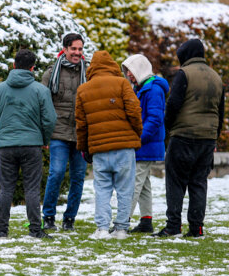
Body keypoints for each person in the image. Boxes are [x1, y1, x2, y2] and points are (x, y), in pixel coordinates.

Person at [154, 39, 224, 238]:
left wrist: (168, 130)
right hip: (207, 139)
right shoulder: (216, 77)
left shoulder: (184, 74)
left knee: (175, 182)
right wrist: (214, 136)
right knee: (198, 183)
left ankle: (173, 225)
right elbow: (221, 111)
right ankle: (196, 228)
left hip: (183, 136)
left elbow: (173, 105)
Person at [0, 49, 57, 239]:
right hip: (32, 144)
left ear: (13, 65)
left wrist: (0, 137)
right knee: (32, 189)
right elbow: (50, 119)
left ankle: (2, 230)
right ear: (33, 68)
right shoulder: (40, 90)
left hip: (6, 145)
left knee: (6, 188)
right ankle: (35, 229)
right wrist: (44, 139)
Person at [75, 51, 142, 240]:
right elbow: (135, 111)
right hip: (124, 147)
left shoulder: (83, 89)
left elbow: (81, 124)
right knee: (125, 189)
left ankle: (103, 228)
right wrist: (136, 134)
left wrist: (84, 148)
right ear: (112, 65)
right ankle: (121, 229)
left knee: (102, 189)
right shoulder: (122, 84)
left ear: (92, 68)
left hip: (99, 149)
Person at [40, 33, 88, 231]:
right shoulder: (51, 72)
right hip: (58, 131)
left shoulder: (89, 71)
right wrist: (44, 131)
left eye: (80, 49)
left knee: (78, 177)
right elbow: (42, 102)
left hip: (81, 132)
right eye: (74, 49)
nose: (77, 53)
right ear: (65, 49)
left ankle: (70, 219)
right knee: (57, 173)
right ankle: (48, 216)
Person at [121, 54, 169, 234]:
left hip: (145, 144)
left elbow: (155, 119)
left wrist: (138, 138)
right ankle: (146, 220)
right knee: (144, 184)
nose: (128, 75)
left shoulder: (153, 89)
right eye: (127, 71)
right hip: (145, 144)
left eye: (131, 71)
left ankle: (123, 222)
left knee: (133, 183)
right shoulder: (142, 88)